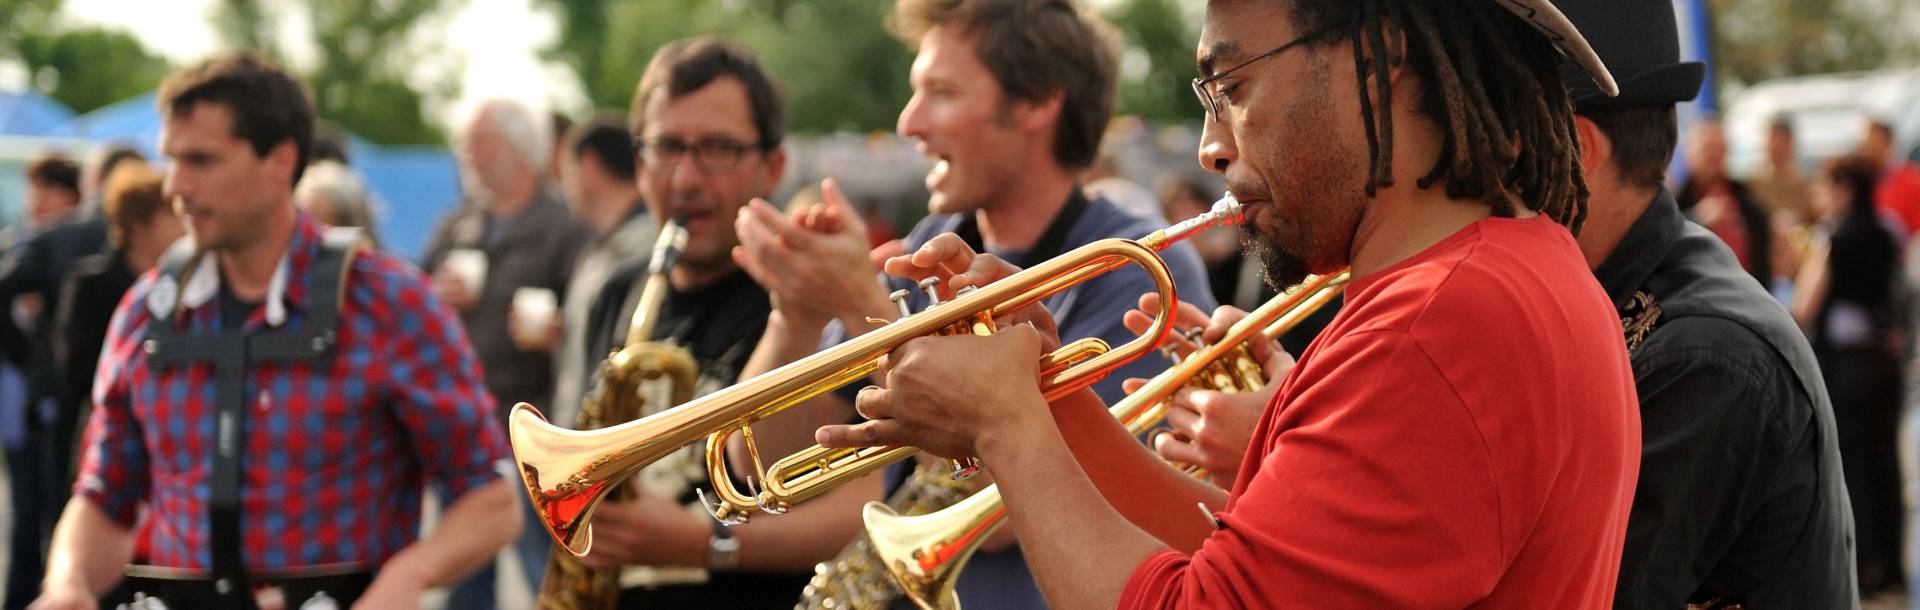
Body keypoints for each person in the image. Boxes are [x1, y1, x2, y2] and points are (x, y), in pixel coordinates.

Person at [813, 0, 1642, 607]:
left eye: (1232, 85)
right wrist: (1049, 396)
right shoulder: (1487, 278)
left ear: (1381, 52)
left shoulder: (1435, 321)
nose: (1212, 146)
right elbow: (1236, 556)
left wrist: (1006, 426)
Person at [729, 1, 1214, 607]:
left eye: (943, 93)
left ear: (1039, 102)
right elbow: (759, 467)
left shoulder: (1130, 264)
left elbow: (1010, 512)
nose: (909, 122)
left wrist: (860, 307)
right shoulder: (931, 243)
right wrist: (794, 314)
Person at [28, 52, 520, 610]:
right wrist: (66, 583)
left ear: (279, 161)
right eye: (172, 160)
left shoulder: (387, 302)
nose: (176, 187)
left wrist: (410, 575)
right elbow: (105, 496)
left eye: (201, 161)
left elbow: (491, 497)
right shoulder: (145, 312)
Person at [567, 36, 838, 609]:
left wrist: (704, 544)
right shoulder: (619, 291)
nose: (686, 179)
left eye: (717, 148)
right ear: (640, 164)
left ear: (773, 166)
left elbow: (857, 509)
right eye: (667, 148)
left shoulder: (807, 295)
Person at [419, 97, 591, 609]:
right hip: (465, 431)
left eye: (481, 143)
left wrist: (560, 335)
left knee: (546, 573)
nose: (468, 155)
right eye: (465, 144)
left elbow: (591, 320)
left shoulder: (564, 229)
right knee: (464, 584)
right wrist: (434, 293)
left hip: (531, 433)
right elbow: (411, 301)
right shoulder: (457, 224)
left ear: (523, 150)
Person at [1793, 154, 1903, 596]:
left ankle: (1864, 567)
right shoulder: (1887, 231)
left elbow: (1805, 305)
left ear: (1844, 189)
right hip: (1884, 360)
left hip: (1847, 366)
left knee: (1852, 465)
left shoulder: (1833, 238)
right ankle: (1892, 563)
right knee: (1885, 463)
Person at [549, 119, 655, 428]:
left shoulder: (642, 250)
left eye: (566, 171)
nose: (562, 187)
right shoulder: (599, 249)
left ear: (589, 166)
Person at [1678, 119, 1774, 285]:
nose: (1714, 157)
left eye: (1719, 150)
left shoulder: (1745, 197)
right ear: (1690, 153)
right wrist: (1697, 218)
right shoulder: (1676, 201)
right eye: (1707, 149)